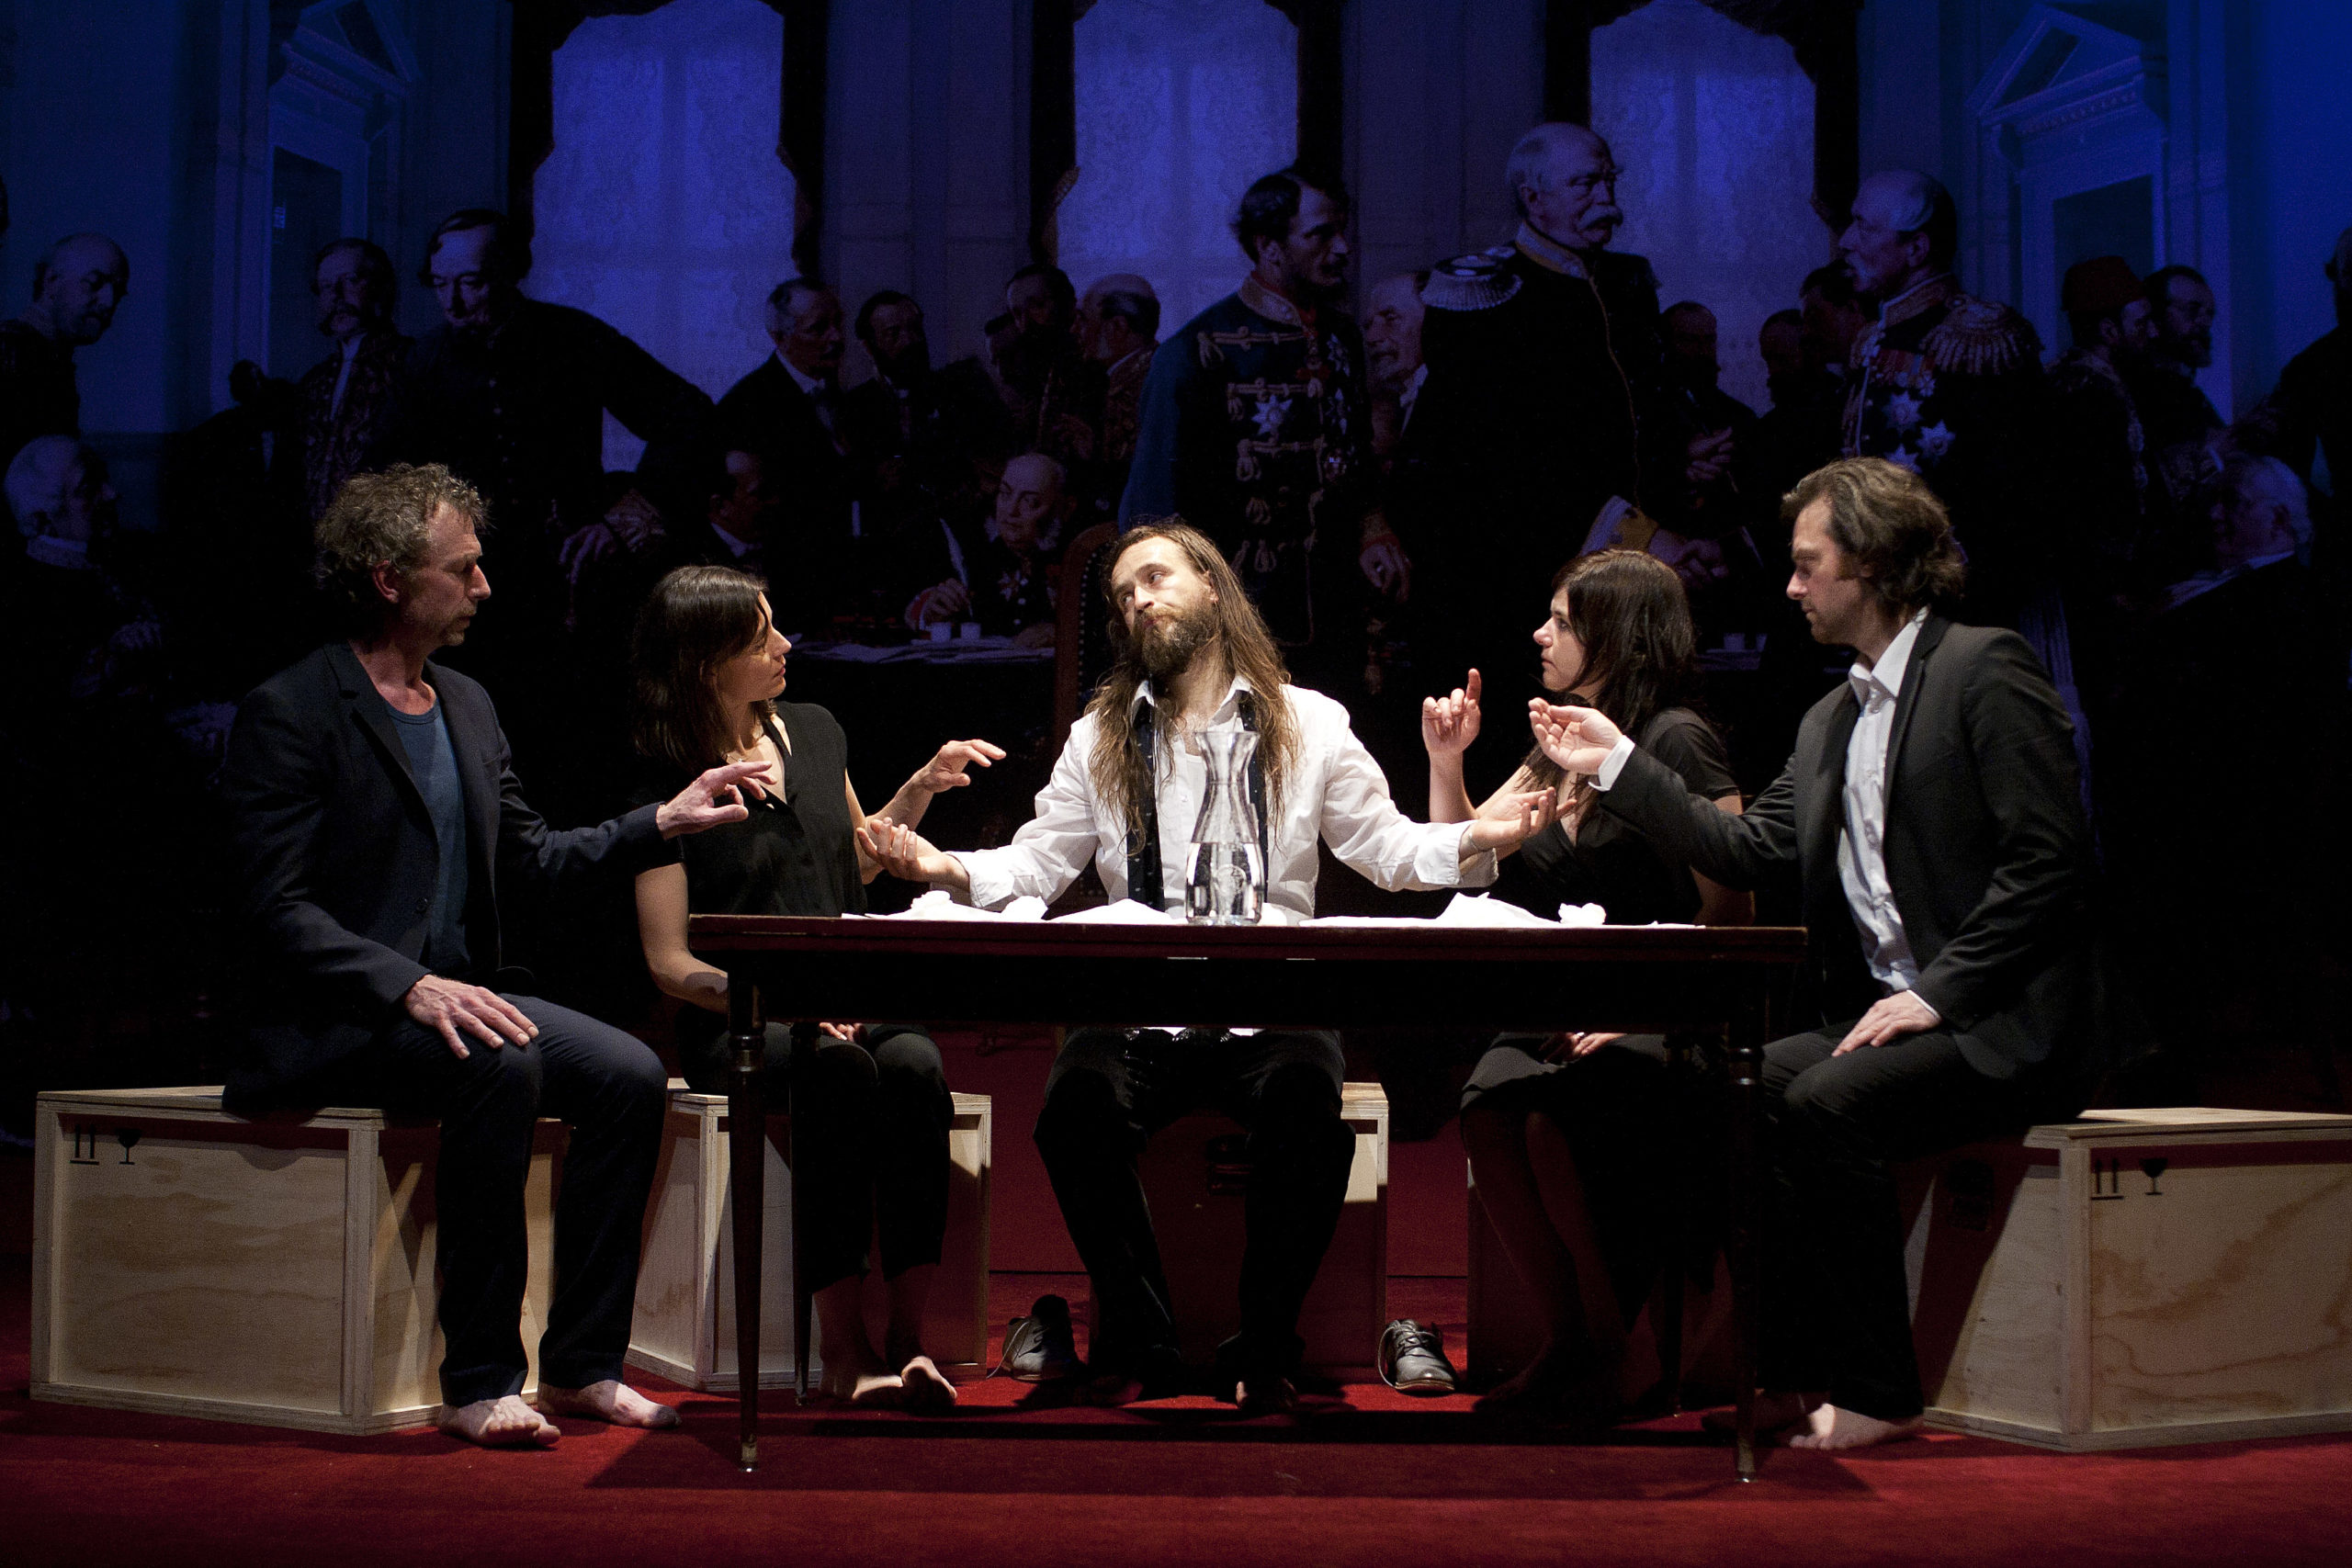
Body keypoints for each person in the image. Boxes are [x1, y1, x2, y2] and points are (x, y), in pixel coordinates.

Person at [863, 520, 1554, 1412]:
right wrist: (944, 866)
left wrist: (1474, 839)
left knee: (1309, 1114)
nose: (1139, 601)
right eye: (1124, 594)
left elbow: (1385, 850)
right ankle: (1140, 1340)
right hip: (1140, 1001)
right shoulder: (1100, 736)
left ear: (1214, 589)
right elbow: (1038, 864)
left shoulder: (1308, 721)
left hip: (1269, 1001)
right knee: (1073, 1111)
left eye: (1156, 578)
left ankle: (1263, 1350)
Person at [1532, 457, 2093, 1450]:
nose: (1789, 587)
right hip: (1891, 1020)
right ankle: (1786, 1369)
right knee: (1722, 1083)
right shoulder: (1831, 718)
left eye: (1807, 564)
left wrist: (1940, 992)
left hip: (1999, 1019)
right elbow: (1746, 849)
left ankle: (1880, 1389)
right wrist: (1615, 762)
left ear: (1872, 562)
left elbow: (2049, 861)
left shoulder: (1983, 668)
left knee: (1825, 1099)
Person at [217, 462, 769, 1449]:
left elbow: (533, 858)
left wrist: (661, 821)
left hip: (457, 1003)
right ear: (389, 578)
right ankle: (479, 1378)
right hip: (343, 1016)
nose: (484, 586)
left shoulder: (466, 703)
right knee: (499, 1063)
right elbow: (275, 908)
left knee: (629, 1074)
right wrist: (408, 983)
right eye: (462, 568)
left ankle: (585, 1364)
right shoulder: (293, 709)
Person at [628, 563, 1004, 1408]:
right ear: (705, 662)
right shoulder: (669, 780)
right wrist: (787, 1003)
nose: (785, 644)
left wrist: (918, 789)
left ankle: (908, 1337)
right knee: (836, 1072)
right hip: (744, 1019)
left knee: (913, 1064)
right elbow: (669, 963)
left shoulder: (815, 729)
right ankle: (842, 1343)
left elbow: (858, 862)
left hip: (843, 1003)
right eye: (760, 635)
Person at [1421, 550, 1749, 1425]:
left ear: (1620, 635)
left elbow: (1733, 904)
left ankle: (1620, 1349)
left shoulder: (1673, 740)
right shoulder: (1559, 740)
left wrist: (1644, 1011)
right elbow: (1463, 854)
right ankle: (1567, 1340)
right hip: (1568, 1012)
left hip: (1666, 1013)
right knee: (1489, 1105)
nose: (1541, 633)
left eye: (1562, 620)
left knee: (1553, 1122)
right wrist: (1448, 762)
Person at [1412, 124, 1661, 785]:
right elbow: (1494, 467)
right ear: (1533, 196)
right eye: (1585, 183)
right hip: (1517, 578)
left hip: (1623, 567)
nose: (1605, 197)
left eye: (1608, 180)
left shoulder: (1626, 284)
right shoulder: (1485, 293)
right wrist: (1633, 531)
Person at [1120, 168, 1397, 690]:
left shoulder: (1341, 337)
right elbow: (1153, 506)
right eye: (1320, 235)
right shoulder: (1194, 351)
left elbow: (1353, 458)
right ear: (1269, 246)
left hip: (1339, 610)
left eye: (1342, 233)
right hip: (1239, 617)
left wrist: (1373, 528)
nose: (1341, 249)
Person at [1836, 173, 2045, 624]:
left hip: (1961, 600)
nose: (1846, 241)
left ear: (1916, 249)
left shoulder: (1984, 336)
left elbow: (2016, 489)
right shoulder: (1871, 339)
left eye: (1864, 227)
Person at [717, 277, 863, 623]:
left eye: (838, 323)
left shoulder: (846, 401)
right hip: (788, 597)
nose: (836, 338)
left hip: (845, 590)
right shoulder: (749, 404)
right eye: (819, 328)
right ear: (779, 337)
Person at [298, 239, 411, 523]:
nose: (337, 295)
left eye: (350, 280)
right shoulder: (315, 382)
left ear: (381, 288)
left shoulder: (411, 365)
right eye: (326, 286)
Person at [907, 451, 1069, 644]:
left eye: (1030, 501)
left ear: (1061, 508)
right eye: (1005, 494)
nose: (1011, 510)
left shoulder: (1076, 559)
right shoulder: (978, 557)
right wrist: (933, 612)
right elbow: (917, 611)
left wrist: (1062, 632)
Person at [0, 232, 129, 473]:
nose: (109, 302)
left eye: (118, 291)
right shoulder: (13, 354)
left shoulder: (48, 357)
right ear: (51, 282)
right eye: (94, 283)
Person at [999, 264, 1105, 476]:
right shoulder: (1033, 376)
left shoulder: (1098, 371)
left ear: (1067, 305)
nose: (1025, 323)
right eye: (1017, 313)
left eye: (1037, 306)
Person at [1078, 274, 1160, 514]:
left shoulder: (1143, 384)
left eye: (1083, 321)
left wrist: (1093, 454)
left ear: (1117, 327)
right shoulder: (1139, 373)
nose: (1076, 331)